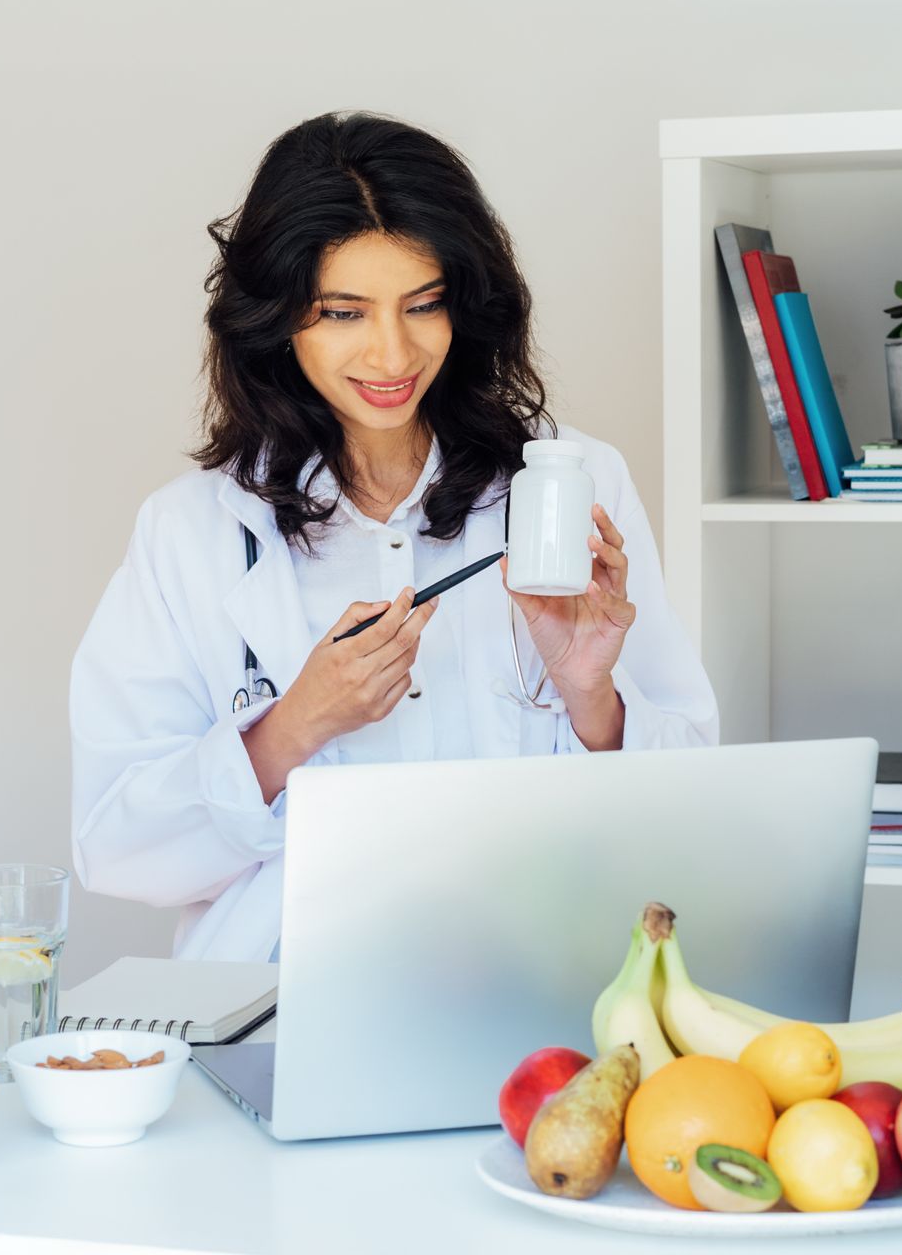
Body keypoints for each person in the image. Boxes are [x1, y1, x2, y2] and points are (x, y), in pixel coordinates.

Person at [71, 112, 717, 961]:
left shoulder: (571, 485)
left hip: (539, 982)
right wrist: (295, 726)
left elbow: (697, 807)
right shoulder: (192, 531)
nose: (391, 353)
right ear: (278, 320)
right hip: (283, 1002)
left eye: (424, 305)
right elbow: (116, 851)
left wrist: (591, 693)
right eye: (344, 312)